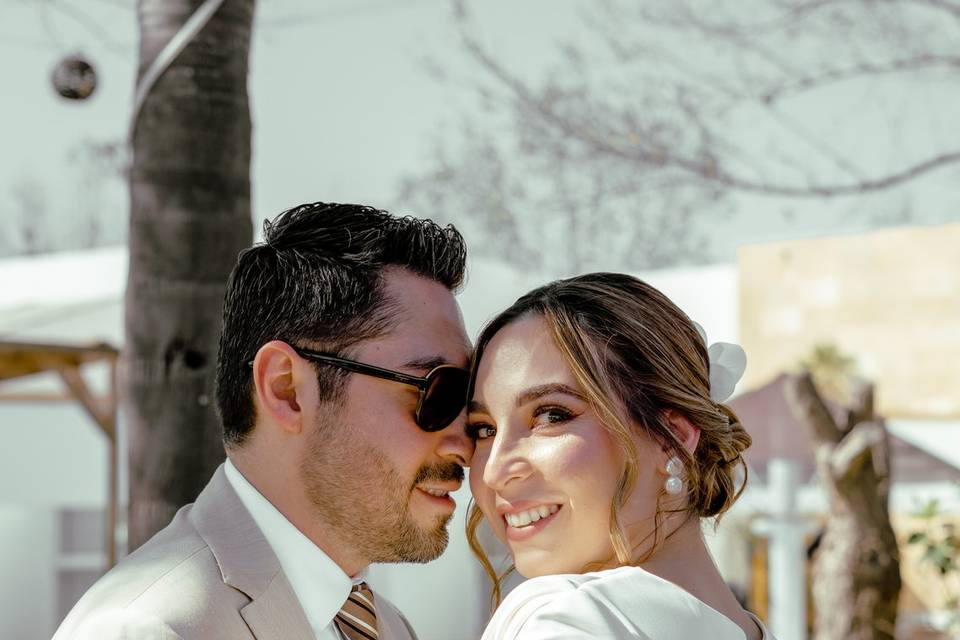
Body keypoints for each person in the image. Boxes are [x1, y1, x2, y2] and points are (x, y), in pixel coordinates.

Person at [54, 202, 476, 640]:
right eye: (440, 391)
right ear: (286, 389)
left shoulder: (388, 626)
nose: (466, 443)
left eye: (471, 395)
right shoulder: (149, 628)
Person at [465, 273, 773, 639]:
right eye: (484, 429)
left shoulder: (565, 619)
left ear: (671, 436)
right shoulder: (751, 630)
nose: (494, 472)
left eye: (551, 415)